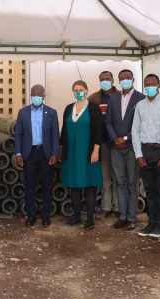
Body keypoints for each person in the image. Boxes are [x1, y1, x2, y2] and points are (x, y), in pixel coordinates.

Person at [132, 74, 160, 238]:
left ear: (159, 85)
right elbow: (135, 131)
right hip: (144, 151)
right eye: (146, 84)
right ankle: (151, 222)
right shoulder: (140, 105)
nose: (149, 86)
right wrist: (138, 154)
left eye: (152, 84)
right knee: (149, 190)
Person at [60, 80, 103, 230]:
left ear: (86, 90)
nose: (78, 92)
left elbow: (99, 130)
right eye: (75, 90)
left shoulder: (94, 108)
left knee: (90, 184)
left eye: (81, 89)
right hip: (72, 153)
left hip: (89, 153)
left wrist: (96, 150)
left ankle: (90, 219)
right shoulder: (68, 109)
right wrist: (62, 149)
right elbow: (64, 130)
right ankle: (77, 215)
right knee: (74, 185)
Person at [106, 69, 146, 231]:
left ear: (133, 79)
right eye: (121, 79)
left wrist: (125, 138)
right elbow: (108, 122)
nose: (124, 81)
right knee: (120, 182)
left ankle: (132, 217)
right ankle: (122, 216)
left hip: (132, 147)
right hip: (115, 147)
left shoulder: (141, 99)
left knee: (132, 182)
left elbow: (142, 124)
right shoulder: (113, 99)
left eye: (127, 78)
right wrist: (116, 138)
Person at [14, 84, 59, 227]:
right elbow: (18, 134)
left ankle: (46, 216)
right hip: (30, 153)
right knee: (30, 186)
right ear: (30, 95)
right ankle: (31, 215)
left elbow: (54, 135)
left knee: (47, 186)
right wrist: (19, 153)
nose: (37, 96)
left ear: (43, 96)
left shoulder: (51, 113)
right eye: (34, 94)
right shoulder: (23, 113)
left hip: (45, 154)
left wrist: (55, 153)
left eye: (40, 94)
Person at [88, 71, 119, 219]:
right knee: (105, 176)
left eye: (107, 79)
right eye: (102, 79)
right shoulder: (94, 98)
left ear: (113, 80)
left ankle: (119, 207)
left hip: (119, 142)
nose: (105, 81)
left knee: (119, 175)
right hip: (103, 143)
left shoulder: (120, 96)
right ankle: (106, 207)